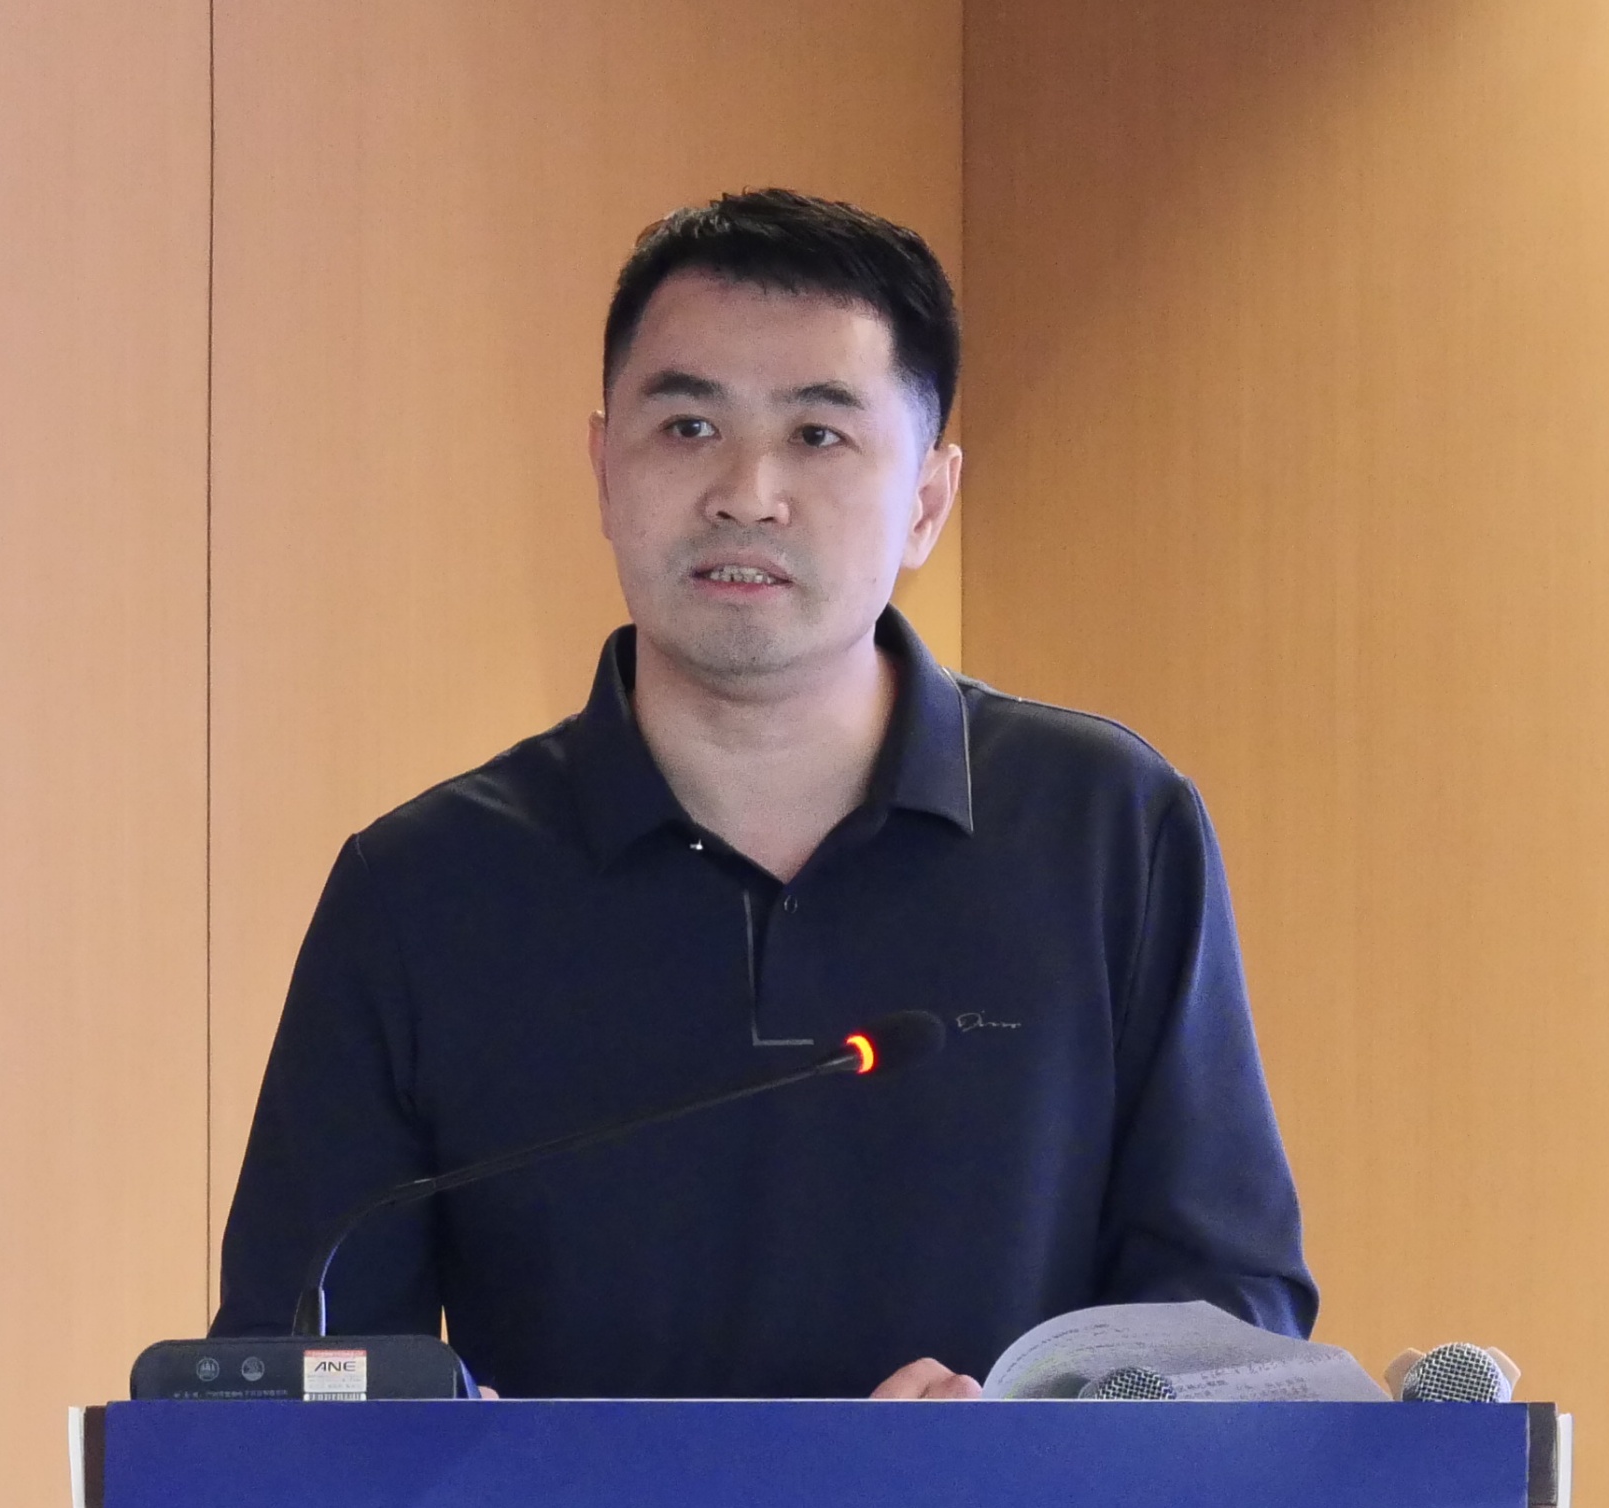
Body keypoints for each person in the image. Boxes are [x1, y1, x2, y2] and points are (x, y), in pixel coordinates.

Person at [215, 188, 1313, 1398]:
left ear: (927, 502)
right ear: (602, 467)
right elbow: (299, 1371)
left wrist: (1024, 1450)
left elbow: (1227, 1317)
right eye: (686, 426)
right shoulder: (423, 887)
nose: (745, 491)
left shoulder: (1106, 827)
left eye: (818, 435)